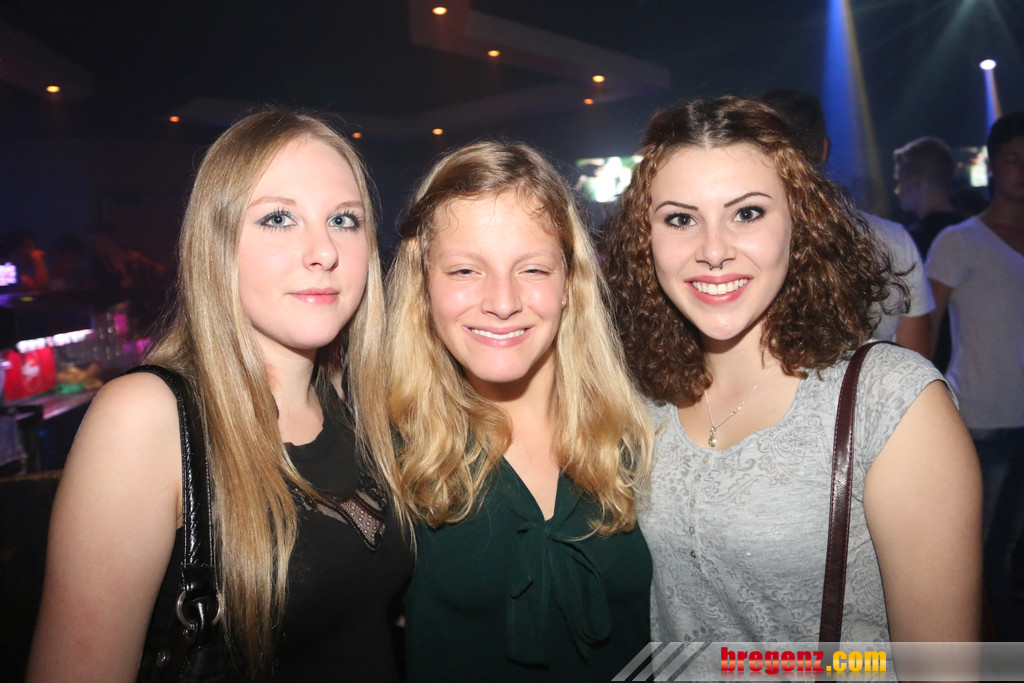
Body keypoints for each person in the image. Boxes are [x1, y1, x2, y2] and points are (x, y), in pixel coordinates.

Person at [27, 111, 412, 680]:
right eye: (279, 218)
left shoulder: (359, 405)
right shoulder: (146, 417)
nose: (323, 250)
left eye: (343, 219)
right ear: (218, 243)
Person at [604, 96, 981, 644]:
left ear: (800, 222)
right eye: (680, 219)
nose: (714, 250)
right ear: (646, 239)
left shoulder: (892, 402)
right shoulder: (637, 397)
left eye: (747, 213)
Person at [388, 141, 653, 681]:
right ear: (424, 284)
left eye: (532, 269)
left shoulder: (638, 436)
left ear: (568, 283)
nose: (503, 301)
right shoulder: (386, 456)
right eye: (465, 270)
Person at [927, 111, 1024, 639]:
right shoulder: (959, 240)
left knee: (1010, 551)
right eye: (1012, 160)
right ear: (992, 164)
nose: (1022, 171)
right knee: (979, 554)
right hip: (983, 418)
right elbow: (925, 326)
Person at [759, 89, 933, 357]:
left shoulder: (735, 242)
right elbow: (917, 362)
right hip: (870, 384)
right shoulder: (894, 240)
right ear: (824, 149)